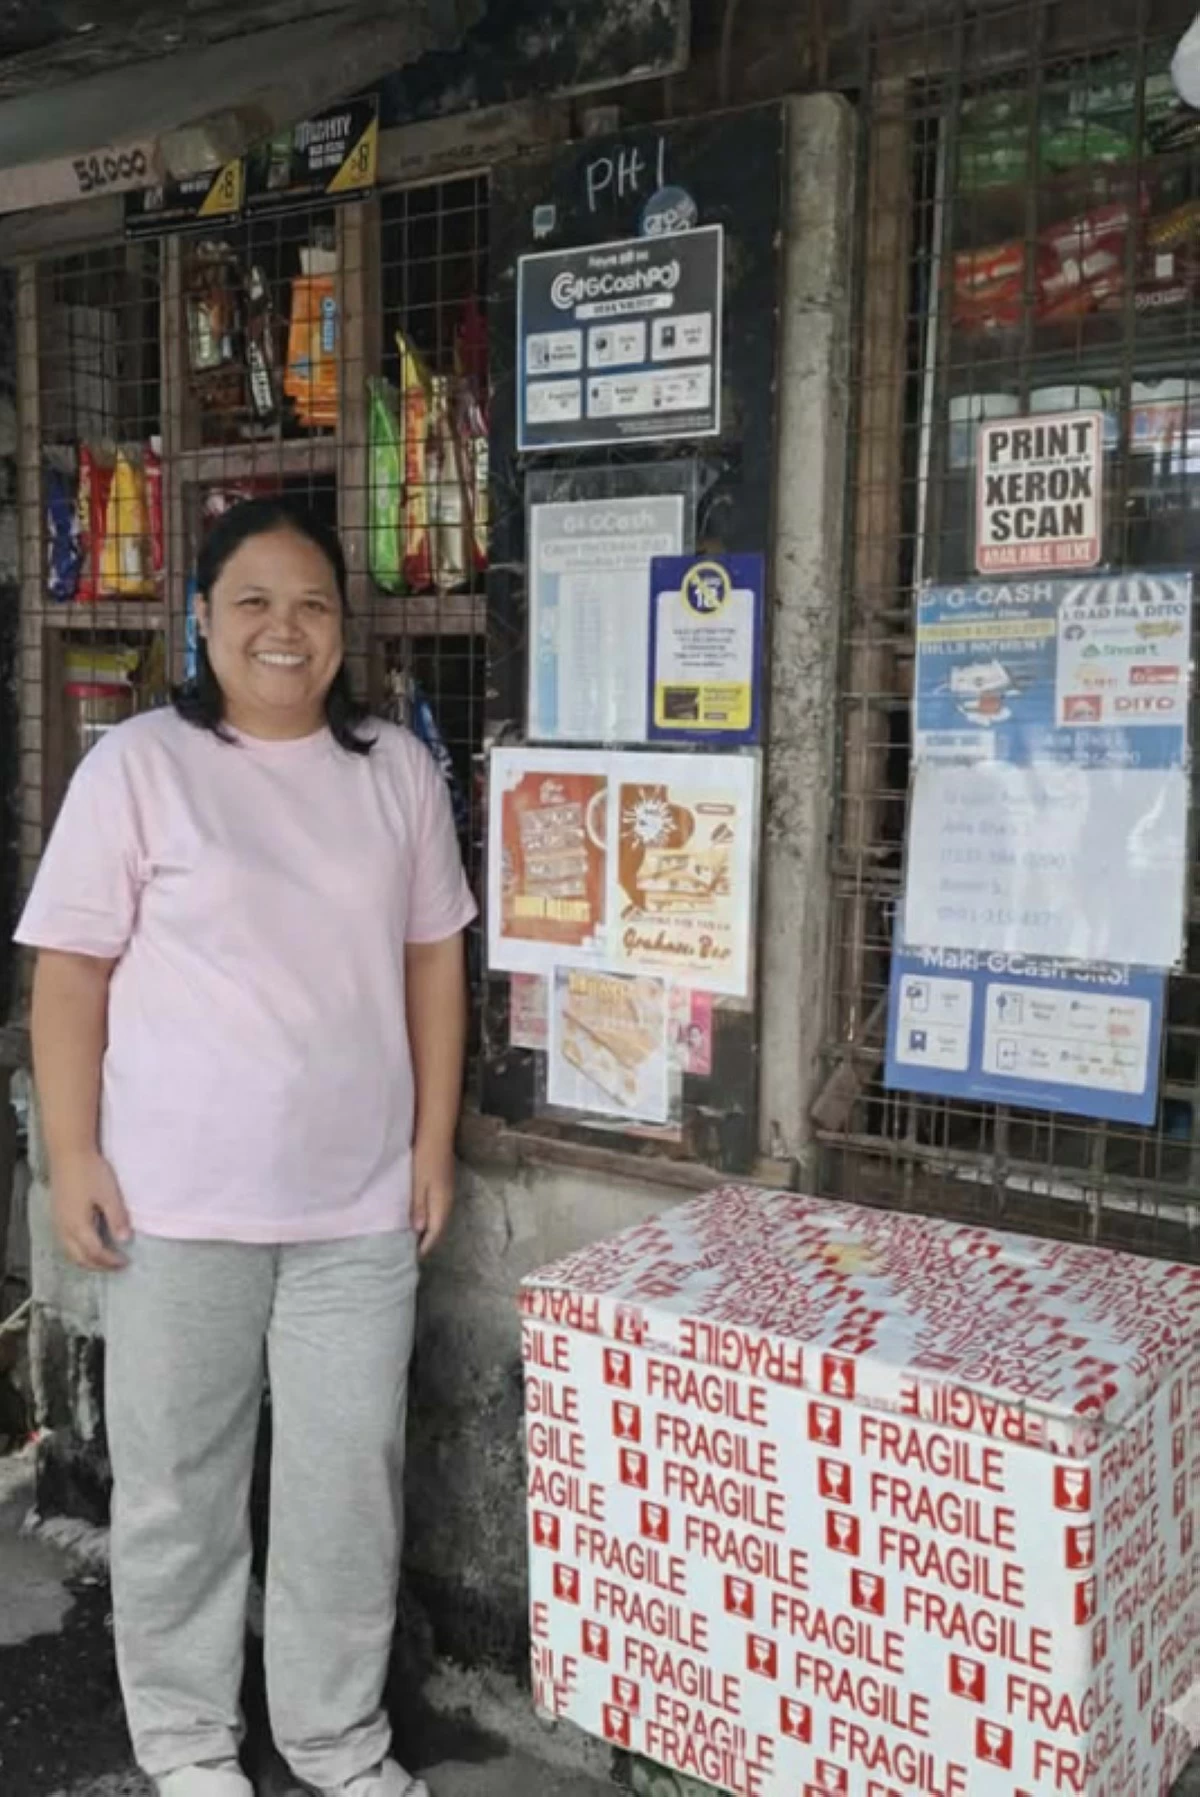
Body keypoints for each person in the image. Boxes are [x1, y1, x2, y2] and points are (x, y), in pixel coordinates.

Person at [18, 499, 477, 1797]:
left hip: (358, 1209)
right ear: (204, 623)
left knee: (347, 1495)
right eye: (255, 603)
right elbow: (70, 975)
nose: (287, 628)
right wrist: (75, 1154)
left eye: (315, 604)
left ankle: (338, 1742)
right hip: (175, 1204)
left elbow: (432, 956)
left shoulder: (393, 769)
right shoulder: (139, 767)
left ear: (343, 631)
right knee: (180, 1495)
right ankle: (186, 1746)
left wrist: (432, 1143)